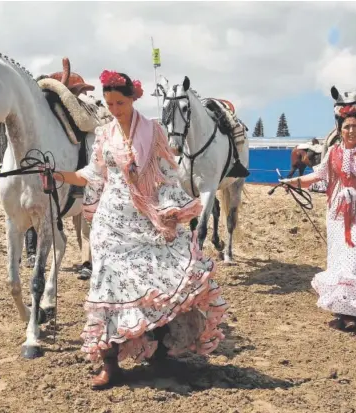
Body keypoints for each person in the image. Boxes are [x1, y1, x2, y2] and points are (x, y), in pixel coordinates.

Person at [50, 69, 229, 390]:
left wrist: (172, 210)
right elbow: (93, 173)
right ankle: (110, 365)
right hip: (110, 224)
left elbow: (167, 174)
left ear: (133, 98)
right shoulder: (105, 135)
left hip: (146, 222)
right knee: (107, 289)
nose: (115, 109)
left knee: (153, 285)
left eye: (119, 102)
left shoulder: (153, 131)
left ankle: (159, 353)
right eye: (110, 103)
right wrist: (61, 175)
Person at [279, 105, 356, 331]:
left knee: (355, 256)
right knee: (338, 259)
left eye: (355, 127)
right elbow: (317, 176)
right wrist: (292, 182)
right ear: (340, 131)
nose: (351, 130)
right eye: (347, 127)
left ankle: (354, 311)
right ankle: (343, 310)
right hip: (336, 212)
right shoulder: (333, 153)